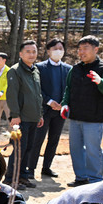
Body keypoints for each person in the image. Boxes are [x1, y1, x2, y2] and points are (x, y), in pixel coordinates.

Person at [61, 36, 103, 187]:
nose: (81, 52)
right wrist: (65, 104)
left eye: (85, 48)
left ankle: (95, 180)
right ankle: (81, 178)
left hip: (94, 117)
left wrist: (100, 81)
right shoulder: (75, 68)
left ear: (95, 49)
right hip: (75, 116)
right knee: (75, 149)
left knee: (93, 150)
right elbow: (68, 89)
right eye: (79, 49)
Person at [4, 40, 43, 190]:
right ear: (21, 54)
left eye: (34, 51)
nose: (31, 54)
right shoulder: (15, 71)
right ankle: (11, 179)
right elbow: (12, 95)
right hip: (20, 118)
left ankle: (23, 176)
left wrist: (40, 114)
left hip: (33, 117)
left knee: (28, 148)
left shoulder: (35, 70)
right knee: (19, 149)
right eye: (28, 52)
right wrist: (15, 115)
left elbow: (38, 95)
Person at [29, 38, 71, 178]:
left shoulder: (68, 69)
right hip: (43, 110)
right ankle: (31, 168)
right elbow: (36, 88)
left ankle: (46, 167)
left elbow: (70, 89)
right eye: (55, 49)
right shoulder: (39, 67)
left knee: (54, 139)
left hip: (60, 111)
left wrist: (64, 103)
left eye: (61, 48)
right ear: (48, 51)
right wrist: (49, 101)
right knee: (37, 140)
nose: (58, 51)